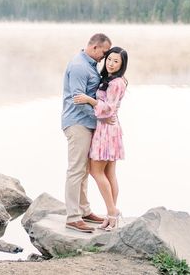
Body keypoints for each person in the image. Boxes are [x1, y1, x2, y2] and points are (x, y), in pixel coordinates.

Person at [62, 32, 112, 233]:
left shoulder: (90, 65)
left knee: (83, 169)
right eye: (104, 52)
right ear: (94, 48)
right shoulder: (79, 67)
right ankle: (72, 217)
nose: (105, 57)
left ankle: (83, 210)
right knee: (76, 169)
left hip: (86, 123)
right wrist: (100, 118)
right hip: (78, 122)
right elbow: (78, 99)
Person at [74, 46, 128, 230]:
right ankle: (111, 214)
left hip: (106, 130)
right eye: (110, 60)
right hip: (109, 129)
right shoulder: (110, 80)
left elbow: (108, 109)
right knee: (109, 173)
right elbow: (110, 109)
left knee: (95, 171)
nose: (111, 64)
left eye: (116, 61)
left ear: (122, 65)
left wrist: (89, 100)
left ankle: (112, 211)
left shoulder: (116, 83)